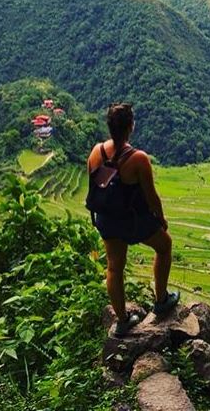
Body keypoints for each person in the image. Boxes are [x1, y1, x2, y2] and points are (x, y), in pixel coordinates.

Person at [87, 103, 179, 336]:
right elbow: (151, 197)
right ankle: (161, 300)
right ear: (131, 126)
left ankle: (122, 320)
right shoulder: (138, 158)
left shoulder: (96, 151)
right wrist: (161, 219)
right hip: (132, 220)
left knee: (114, 268)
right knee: (164, 245)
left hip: (106, 219)